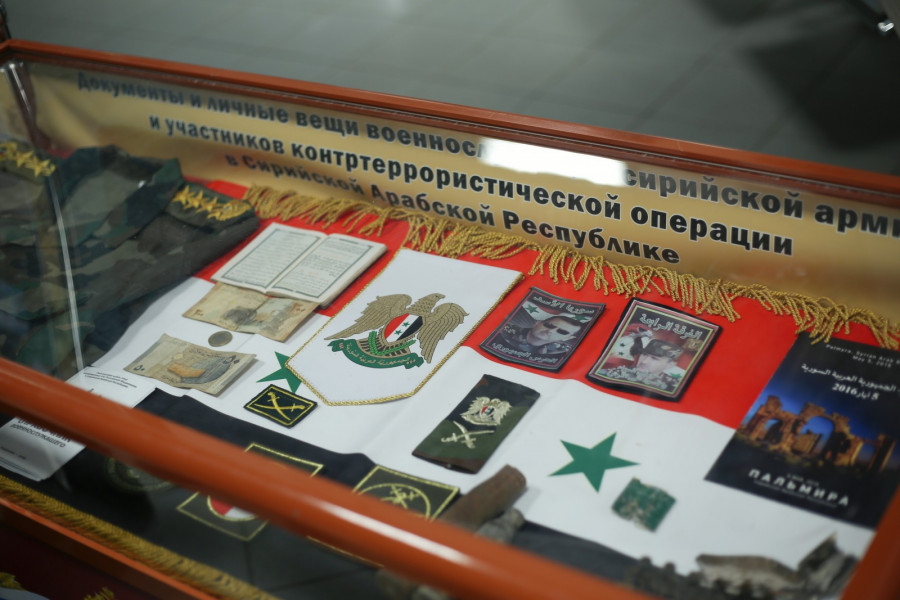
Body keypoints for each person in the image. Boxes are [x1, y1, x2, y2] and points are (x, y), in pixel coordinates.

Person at [600, 338, 685, 393]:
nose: (644, 361)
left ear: (670, 365)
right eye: (644, 354)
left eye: (654, 358)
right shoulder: (616, 373)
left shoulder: (673, 386)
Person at [497, 315, 584, 357]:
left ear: (567, 338)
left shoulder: (561, 353)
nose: (550, 331)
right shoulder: (506, 331)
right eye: (549, 325)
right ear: (537, 323)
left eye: (562, 332)